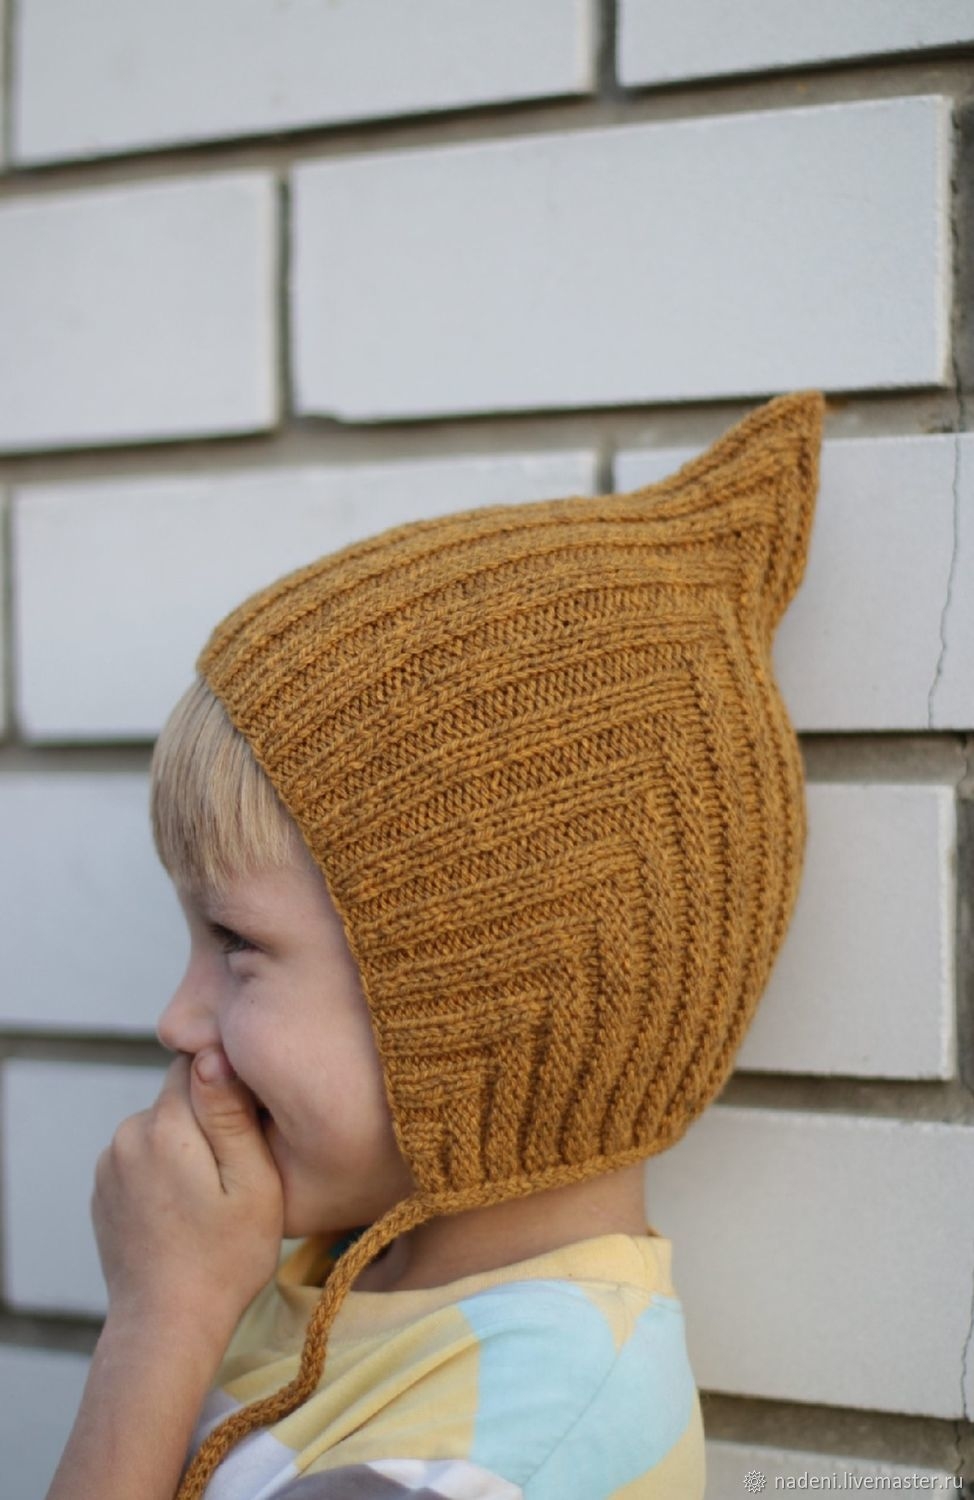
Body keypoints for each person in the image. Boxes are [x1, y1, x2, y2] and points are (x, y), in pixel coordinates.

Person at [46, 388, 826, 1500]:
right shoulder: (328, 1269)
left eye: (234, 942)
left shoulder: (514, 1450)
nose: (175, 1019)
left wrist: (157, 1327)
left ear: (482, 1003)